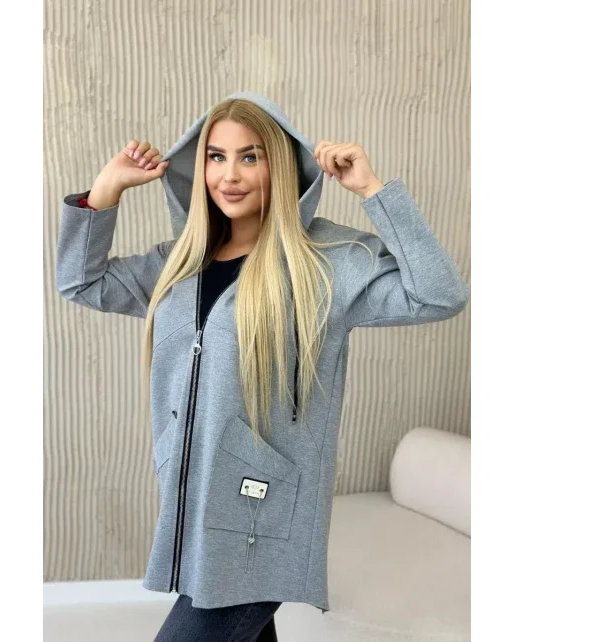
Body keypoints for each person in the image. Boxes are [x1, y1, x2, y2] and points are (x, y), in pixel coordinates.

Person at [56, 91, 470, 641]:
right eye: (216, 156)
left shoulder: (326, 265)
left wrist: (372, 191)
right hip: (195, 507)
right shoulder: (180, 264)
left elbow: (440, 295)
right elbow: (81, 281)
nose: (230, 175)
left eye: (250, 157)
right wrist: (106, 191)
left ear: (280, 166)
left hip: (264, 519)